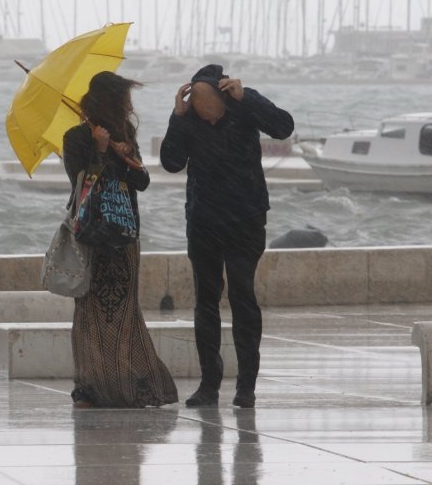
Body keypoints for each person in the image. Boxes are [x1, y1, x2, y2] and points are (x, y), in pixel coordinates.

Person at [160, 64, 294, 408]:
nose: (201, 111)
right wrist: (177, 117)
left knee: (242, 296)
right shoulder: (188, 119)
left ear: (221, 96)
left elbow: (283, 128)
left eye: (205, 102)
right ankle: (209, 384)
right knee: (206, 301)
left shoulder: (243, 106)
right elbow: (171, 162)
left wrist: (246, 97)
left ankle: (246, 386)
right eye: (195, 103)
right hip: (204, 221)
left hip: (245, 219)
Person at [62, 71, 178, 408]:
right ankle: (89, 388)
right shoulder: (76, 137)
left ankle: (128, 383)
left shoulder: (125, 135)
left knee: (124, 311)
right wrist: (99, 151)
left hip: (124, 234)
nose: (129, 105)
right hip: (93, 236)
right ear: (110, 101)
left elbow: (141, 184)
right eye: (124, 98)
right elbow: (80, 184)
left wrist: (130, 160)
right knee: (91, 311)